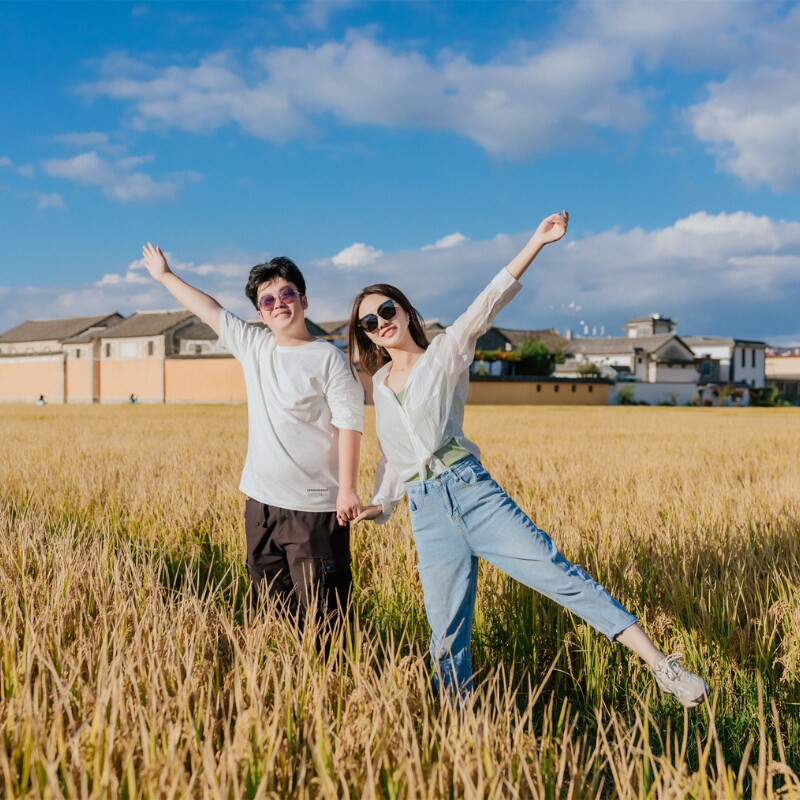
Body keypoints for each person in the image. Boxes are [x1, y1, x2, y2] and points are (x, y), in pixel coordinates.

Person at [349, 211, 710, 707]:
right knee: (446, 629)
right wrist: (381, 503)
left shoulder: (446, 353)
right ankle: (457, 725)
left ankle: (662, 666)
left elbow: (489, 299)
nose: (381, 323)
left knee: (559, 575)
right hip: (425, 510)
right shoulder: (379, 385)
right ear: (367, 335)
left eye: (387, 310)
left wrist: (537, 242)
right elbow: (395, 456)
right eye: (369, 322)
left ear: (407, 312)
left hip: (471, 493)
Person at [142, 244, 364, 627]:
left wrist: (347, 490)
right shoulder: (255, 346)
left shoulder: (329, 359)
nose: (279, 303)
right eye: (268, 300)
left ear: (304, 300)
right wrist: (165, 276)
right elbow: (210, 309)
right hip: (261, 507)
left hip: (313, 510)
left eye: (287, 293)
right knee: (274, 613)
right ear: (260, 313)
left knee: (324, 618)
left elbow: (350, 425)